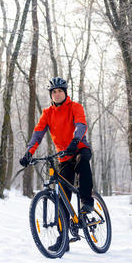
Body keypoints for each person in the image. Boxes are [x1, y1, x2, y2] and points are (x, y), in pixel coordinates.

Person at [19, 77, 94, 251]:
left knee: (83, 161)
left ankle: (87, 202)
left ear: (65, 92)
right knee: (62, 198)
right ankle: (63, 240)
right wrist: (29, 153)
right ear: (51, 95)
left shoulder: (75, 107)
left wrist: (75, 141)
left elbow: (81, 124)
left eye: (60, 90)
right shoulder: (47, 113)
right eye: (54, 92)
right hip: (63, 156)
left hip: (79, 148)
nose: (57, 94)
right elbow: (38, 134)